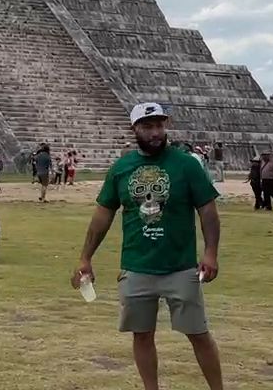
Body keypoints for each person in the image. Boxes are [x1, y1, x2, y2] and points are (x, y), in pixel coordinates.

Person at [72, 102, 224, 390]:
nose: (156, 132)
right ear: (135, 130)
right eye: (148, 126)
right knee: (141, 334)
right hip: (137, 267)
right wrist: (85, 258)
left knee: (198, 333)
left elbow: (208, 211)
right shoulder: (121, 169)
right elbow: (103, 215)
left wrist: (210, 253)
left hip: (180, 266)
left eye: (159, 125)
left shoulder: (186, 164)